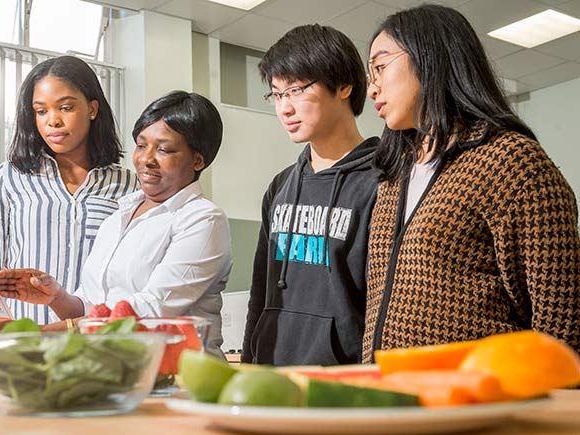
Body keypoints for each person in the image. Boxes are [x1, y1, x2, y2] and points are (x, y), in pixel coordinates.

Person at [362, 4, 580, 361]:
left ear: (430, 58)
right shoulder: (392, 178)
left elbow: (562, 321)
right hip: (391, 401)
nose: (373, 88)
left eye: (380, 67)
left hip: (481, 402)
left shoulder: (512, 163)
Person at [0, 91, 232, 356]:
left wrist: (42, 335)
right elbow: (92, 307)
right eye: (141, 145)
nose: (146, 159)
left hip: (180, 375)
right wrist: (56, 296)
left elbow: (149, 310)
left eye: (163, 149)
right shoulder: (118, 217)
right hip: (118, 370)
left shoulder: (203, 220)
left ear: (198, 159)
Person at [241, 25, 380, 366]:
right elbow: (260, 289)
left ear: (344, 85)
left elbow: (383, 301)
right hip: (271, 375)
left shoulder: (383, 181)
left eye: (296, 90)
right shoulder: (281, 185)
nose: (284, 108)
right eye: (276, 94)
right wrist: (247, 363)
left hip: (342, 383)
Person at [0, 56, 137, 324]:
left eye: (66, 107)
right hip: (25, 342)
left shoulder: (129, 187)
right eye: (41, 111)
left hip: (97, 343)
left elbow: (130, 277)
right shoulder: (7, 179)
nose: (53, 121)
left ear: (92, 109)